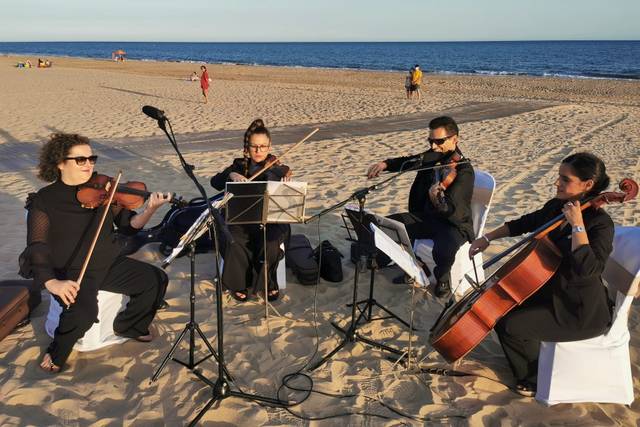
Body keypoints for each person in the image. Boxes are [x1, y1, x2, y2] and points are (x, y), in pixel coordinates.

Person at [21, 133, 171, 373]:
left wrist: (150, 210)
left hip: (109, 261)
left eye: (92, 158)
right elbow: (36, 246)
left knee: (156, 279)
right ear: (60, 163)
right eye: (81, 160)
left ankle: (129, 326)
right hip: (74, 269)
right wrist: (52, 283)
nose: (89, 164)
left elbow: (128, 227)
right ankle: (57, 350)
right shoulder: (44, 201)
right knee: (84, 313)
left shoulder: (105, 192)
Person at [468, 152, 614, 396]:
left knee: (510, 324)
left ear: (587, 185)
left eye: (565, 179)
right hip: (552, 293)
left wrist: (577, 225)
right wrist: (487, 237)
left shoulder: (600, 223)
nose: (557, 183)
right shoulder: (558, 207)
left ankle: (533, 379)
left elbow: (588, 270)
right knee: (500, 309)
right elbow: (525, 222)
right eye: (558, 177)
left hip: (579, 311)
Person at [367, 116, 474, 298]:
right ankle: (415, 267)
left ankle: (443, 279)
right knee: (391, 224)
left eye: (439, 141)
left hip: (452, 223)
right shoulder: (433, 157)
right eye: (430, 141)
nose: (433, 146)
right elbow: (410, 160)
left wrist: (437, 198)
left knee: (444, 247)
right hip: (427, 217)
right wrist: (385, 164)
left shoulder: (464, 171)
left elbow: (452, 211)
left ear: (454, 139)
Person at [210, 119, 292, 302]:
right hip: (241, 219)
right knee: (233, 239)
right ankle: (239, 283)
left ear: (269, 146)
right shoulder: (238, 165)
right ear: (247, 147)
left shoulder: (277, 167)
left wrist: (285, 185)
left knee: (271, 242)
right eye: (254, 146)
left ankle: (269, 282)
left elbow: (287, 200)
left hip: (270, 219)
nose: (258, 151)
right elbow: (214, 182)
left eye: (263, 146)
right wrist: (230, 175)